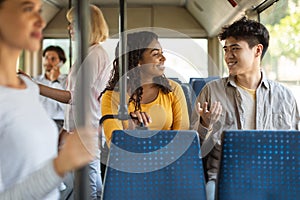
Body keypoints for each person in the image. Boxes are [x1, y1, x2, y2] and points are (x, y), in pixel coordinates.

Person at [190, 17, 300, 200]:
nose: (228, 56)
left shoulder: (285, 96)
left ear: (257, 50)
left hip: (274, 177)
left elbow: (294, 147)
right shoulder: (211, 92)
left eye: (235, 49)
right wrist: (205, 126)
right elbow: (195, 152)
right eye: (226, 50)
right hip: (222, 178)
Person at [0, 0, 97, 199]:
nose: (41, 21)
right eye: (28, 9)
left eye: (39, 11)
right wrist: (61, 165)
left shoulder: (27, 89)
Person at [37, 4, 111, 200]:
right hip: (79, 128)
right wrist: (66, 129)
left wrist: (37, 87)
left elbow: (74, 97)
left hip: (87, 128)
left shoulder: (95, 55)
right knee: (90, 184)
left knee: (87, 188)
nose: (69, 28)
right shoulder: (87, 54)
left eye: (73, 24)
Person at [100, 31, 190, 146]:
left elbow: (182, 139)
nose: (163, 58)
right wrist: (132, 132)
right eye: (156, 54)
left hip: (170, 158)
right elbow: (114, 144)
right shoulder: (112, 97)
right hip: (130, 161)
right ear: (137, 60)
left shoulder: (173, 89)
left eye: (162, 53)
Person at [34, 45, 67, 131]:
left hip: (61, 123)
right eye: (46, 58)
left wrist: (55, 81)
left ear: (61, 62)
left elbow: (67, 107)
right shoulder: (35, 81)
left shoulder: (67, 81)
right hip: (40, 122)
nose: (48, 62)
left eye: (53, 59)